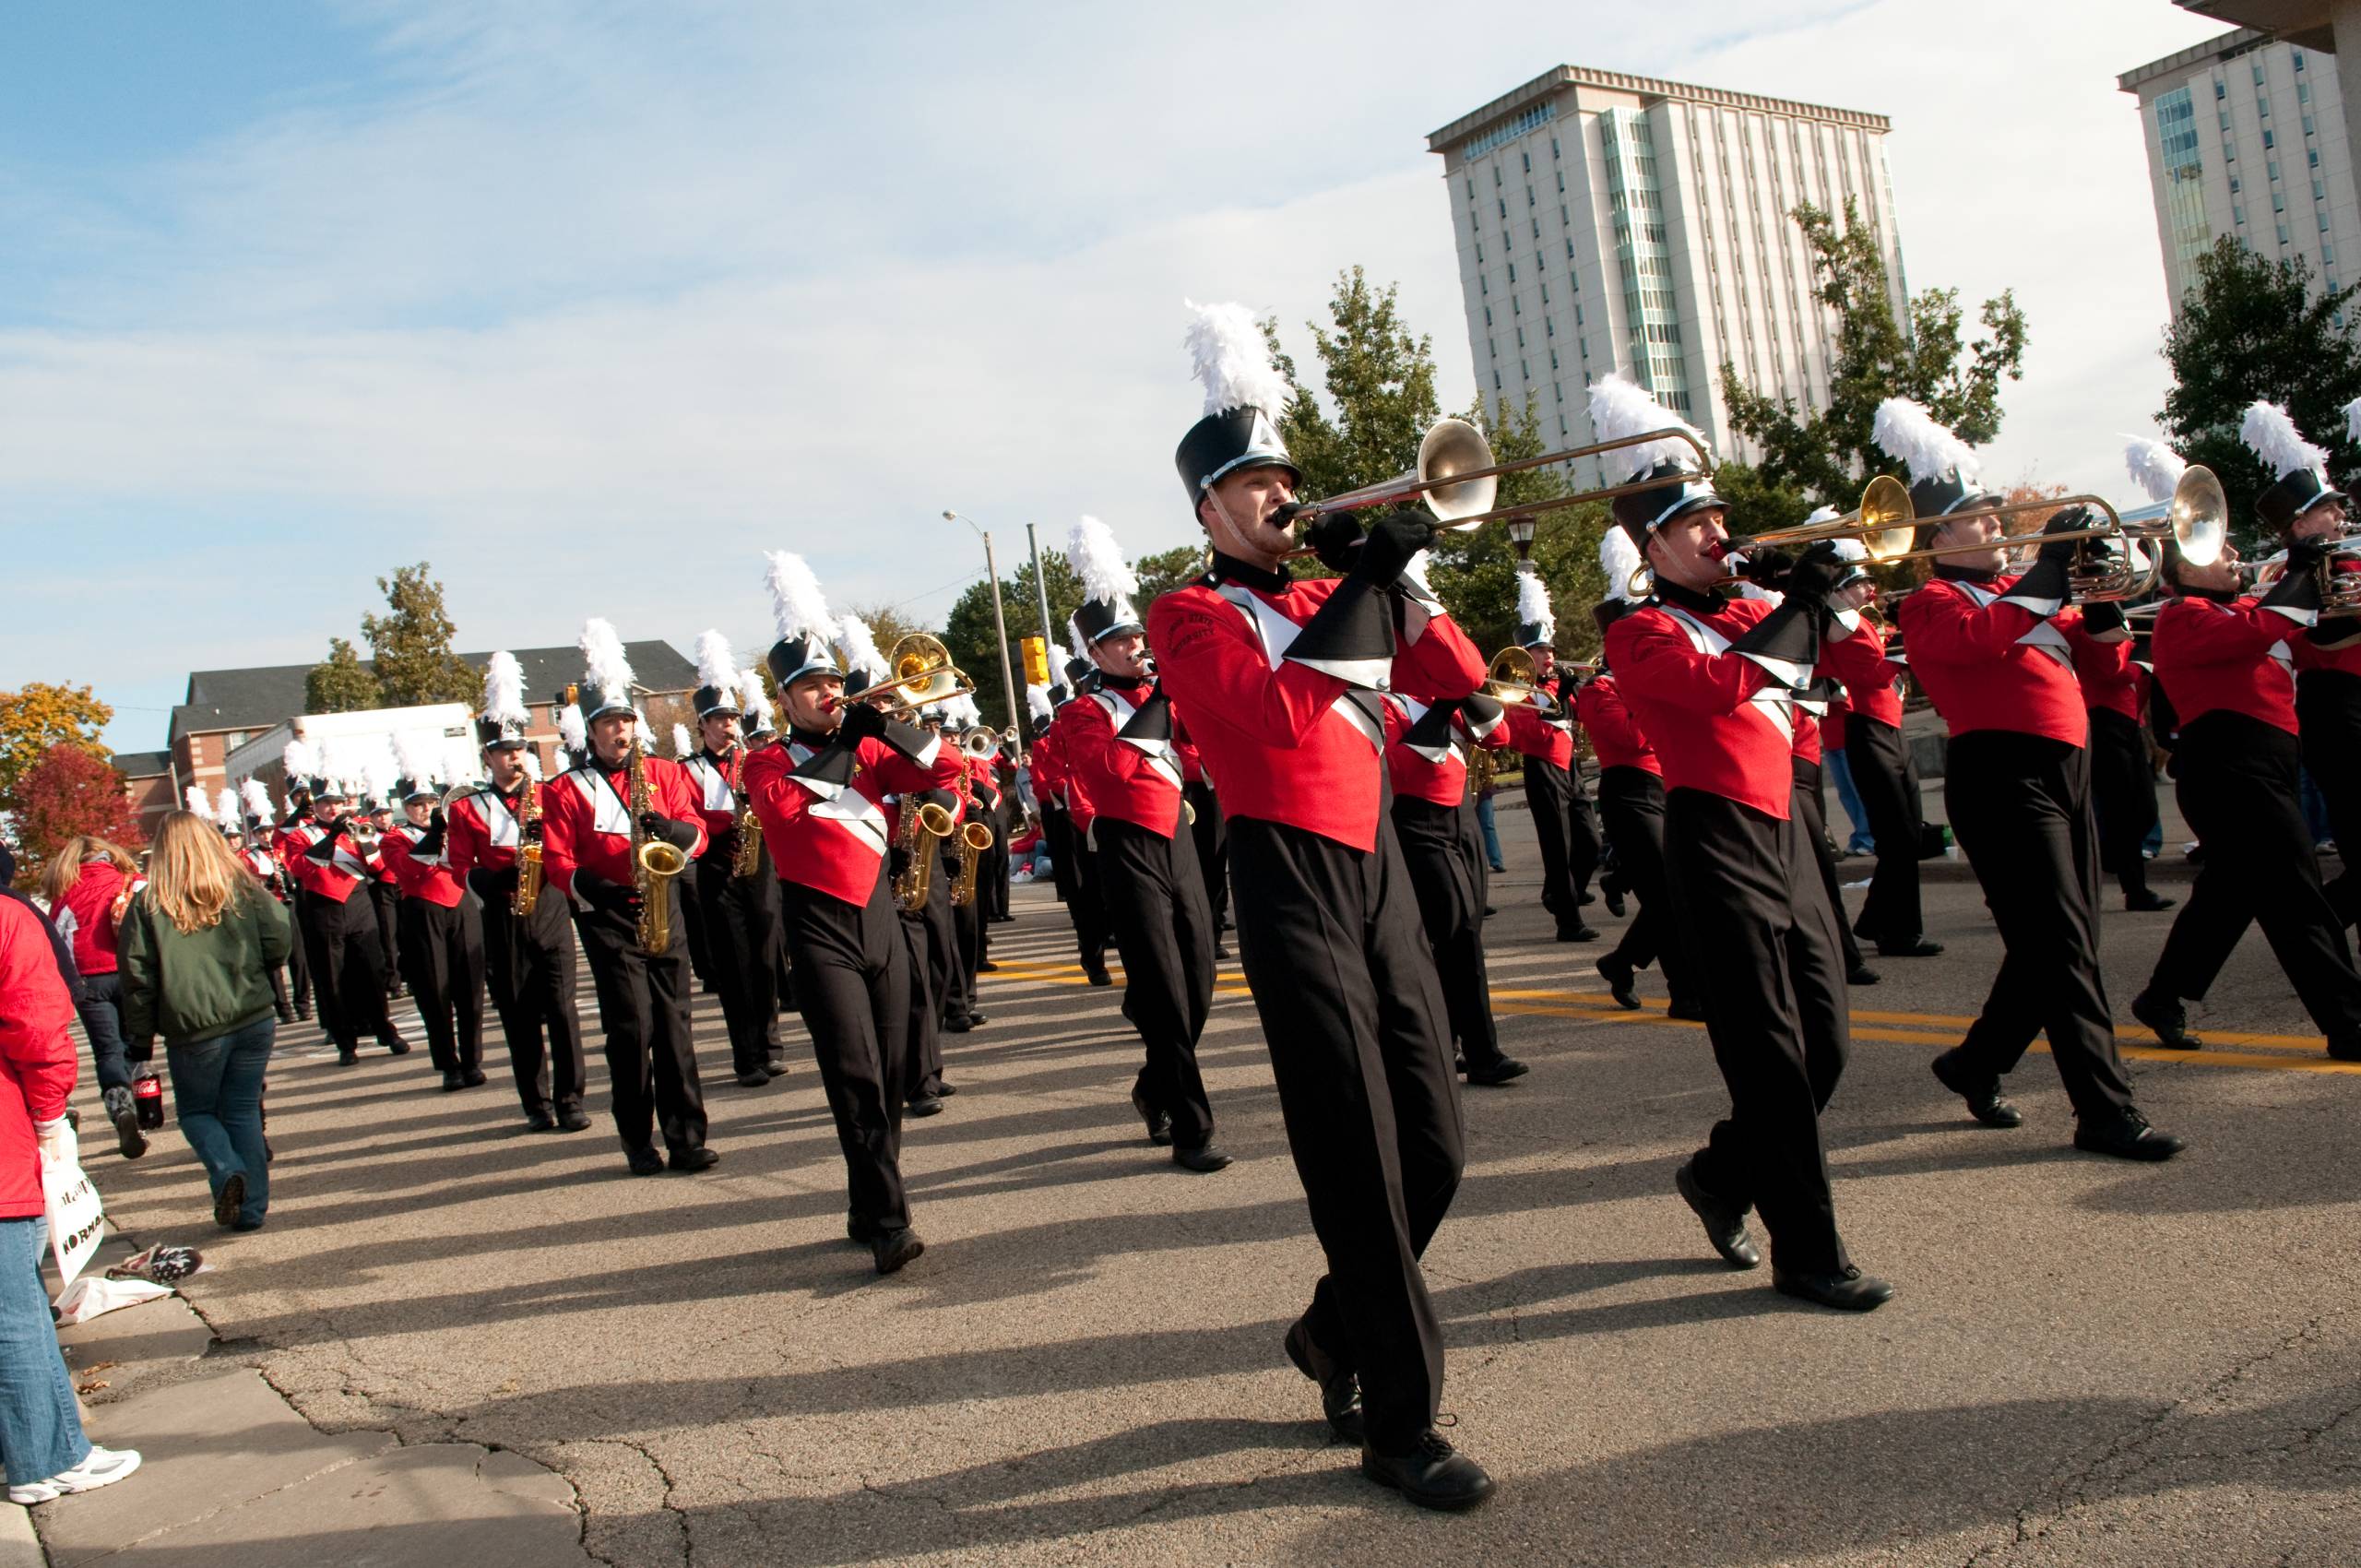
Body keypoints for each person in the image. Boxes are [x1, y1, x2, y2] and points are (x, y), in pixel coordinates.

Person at [1149, 300, 1491, 1508]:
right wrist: (1367, 590)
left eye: (1284, 479)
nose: (1277, 499)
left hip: (1377, 864)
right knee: (1356, 1151)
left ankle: (1330, 1327)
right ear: (1204, 510)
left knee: (1436, 1147)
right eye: (1248, 485)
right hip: (1286, 873)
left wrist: (1402, 571)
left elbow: (1460, 679)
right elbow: (1280, 715)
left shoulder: (1319, 599)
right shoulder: (1188, 615)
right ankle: (1402, 1426)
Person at [1589, 373, 1889, 1314]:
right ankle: (1807, 1253)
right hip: (1712, 836)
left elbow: (1866, 665)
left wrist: (1829, 594)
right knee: (1768, 1058)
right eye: (1696, 525)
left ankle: (1722, 1174)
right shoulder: (1637, 633)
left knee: (1826, 1046)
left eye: (1719, 517)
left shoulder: (1757, 605)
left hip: (1786, 831)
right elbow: (1719, 689)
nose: (1719, 534)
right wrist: (1795, 608)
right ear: (1651, 546)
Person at [1882, 398, 2182, 1159]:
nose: (1996, 524)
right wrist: (2048, 572)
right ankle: (2105, 1112)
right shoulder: (1931, 601)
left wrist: (2106, 598)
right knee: (2064, 949)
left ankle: (1977, 1061)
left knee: (2061, 938)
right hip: (2001, 774)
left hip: (2067, 766)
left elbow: (2108, 668)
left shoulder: (2028, 594)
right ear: (1939, 536)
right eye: (1980, 516)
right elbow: (1979, 642)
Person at [745, 552, 964, 1274]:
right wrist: (847, 742)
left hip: (881, 922)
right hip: (817, 930)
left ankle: (867, 1198)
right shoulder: (765, 762)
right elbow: (784, 813)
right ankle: (889, 1222)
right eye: (812, 686)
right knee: (855, 1076)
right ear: (786, 699)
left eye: (834, 682)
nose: (829, 694)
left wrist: (896, 727)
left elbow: (947, 773)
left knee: (895, 1072)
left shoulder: (867, 747)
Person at [2131, 532, 2361, 1056]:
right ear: (2185, 570)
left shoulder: (2251, 608)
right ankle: (2349, 1023)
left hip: (2267, 765)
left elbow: (2320, 644)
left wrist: (2339, 593)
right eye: (2221, 551)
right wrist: (2300, 572)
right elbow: (2258, 635)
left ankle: (2162, 996)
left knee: (2227, 897)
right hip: (2228, 767)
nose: (2236, 556)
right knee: (2296, 897)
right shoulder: (2181, 614)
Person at [1062, 515, 1232, 1168]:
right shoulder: (1081, 714)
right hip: (1128, 850)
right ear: (1094, 654)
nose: (1135, 647)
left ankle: (1153, 1082)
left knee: (1199, 980)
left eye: (1137, 635)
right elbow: (1110, 774)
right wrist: (1160, 700)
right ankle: (1192, 1129)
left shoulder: (1165, 697)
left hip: (1178, 843)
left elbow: (1197, 750)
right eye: (1120, 641)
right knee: (1161, 987)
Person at [540, 620, 718, 1176]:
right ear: (591, 732)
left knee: (675, 1027)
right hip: (611, 917)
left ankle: (688, 1138)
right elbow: (556, 859)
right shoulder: (567, 789)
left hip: (664, 908)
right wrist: (592, 888)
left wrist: (670, 828)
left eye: (626, 720)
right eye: (609, 723)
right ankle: (638, 1138)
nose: (620, 730)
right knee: (631, 1029)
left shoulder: (663, 773)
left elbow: (701, 834)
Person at [0, 885, 140, 1505]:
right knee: (18, 1314)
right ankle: (45, 1459)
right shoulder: (7, 920)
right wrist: (52, 1119)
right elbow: (38, 1025)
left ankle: (39, 1451)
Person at [116, 810, 291, 1230]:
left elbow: (138, 976)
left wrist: (140, 1041)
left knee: (196, 1112)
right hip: (250, 1015)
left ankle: (226, 1169)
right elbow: (279, 936)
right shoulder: (240, 889)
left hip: (194, 1025)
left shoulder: (149, 902)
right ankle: (250, 1209)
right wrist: (257, 968)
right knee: (242, 1110)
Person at [446, 653, 591, 1133]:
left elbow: (572, 845)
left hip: (549, 909)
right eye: (505, 750)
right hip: (503, 916)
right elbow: (461, 869)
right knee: (519, 1015)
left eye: (520, 749)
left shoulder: (549, 795)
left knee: (563, 1009)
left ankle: (571, 1099)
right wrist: (497, 878)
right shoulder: (469, 808)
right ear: (487, 756)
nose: (514, 757)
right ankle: (537, 1102)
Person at [1578, 550, 1700, 1020]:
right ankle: (1684, 991)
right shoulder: (1597, 691)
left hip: (1665, 787)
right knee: (1666, 895)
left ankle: (1621, 961)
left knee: (1677, 891)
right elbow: (1632, 737)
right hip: (1628, 793)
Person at [1388, 688, 1525, 1086]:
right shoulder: (1380, 697)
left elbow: (1499, 738)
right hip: (1417, 821)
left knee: (1466, 932)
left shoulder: (1428, 693)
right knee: (1457, 936)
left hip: (1461, 814)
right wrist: (1442, 709)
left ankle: (1445, 1046)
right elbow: (1399, 767)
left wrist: (1462, 690)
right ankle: (1483, 1053)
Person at [1816, 540, 1945, 956]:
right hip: (1867, 730)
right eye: (1862, 582)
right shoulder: (1836, 618)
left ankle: (1877, 921)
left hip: (1889, 728)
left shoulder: (1858, 617)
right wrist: (1907, 655)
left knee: (1906, 834)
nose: (1871, 589)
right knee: (1899, 837)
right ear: (1842, 586)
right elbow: (1867, 672)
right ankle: (1899, 932)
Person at [682, 632, 789, 1089]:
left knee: (766, 956)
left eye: (732, 717)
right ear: (703, 725)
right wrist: (727, 821)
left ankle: (771, 1045)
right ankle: (745, 1056)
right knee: (734, 963)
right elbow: (688, 818)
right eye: (719, 720)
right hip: (717, 869)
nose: (728, 726)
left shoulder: (754, 760)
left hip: (759, 865)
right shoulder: (689, 769)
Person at [278, 753, 412, 1066]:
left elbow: (381, 869)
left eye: (337, 802)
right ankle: (345, 1041)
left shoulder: (360, 827)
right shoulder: (301, 834)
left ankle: (385, 1029)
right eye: (326, 803)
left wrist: (365, 844)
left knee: (372, 970)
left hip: (359, 902)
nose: (333, 808)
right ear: (316, 805)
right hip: (324, 908)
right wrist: (334, 836)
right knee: (332, 976)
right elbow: (300, 868)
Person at [1498, 573, 1598, 941]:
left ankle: (1558, 894)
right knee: (1558, 848)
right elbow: (1521, 735)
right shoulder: (1516, 690)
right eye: (1542, 651)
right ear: (1527, 655)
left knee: (1590, 843)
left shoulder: (1557, 684)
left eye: (1550, 650)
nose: (1550, 656)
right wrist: (1556, 709)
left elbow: (1584, 719)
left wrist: (1584, 689)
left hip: (1569, 767)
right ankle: (1568, 923)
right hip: (1543, 768)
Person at [378, 765, 488, 1093]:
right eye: (418, 804)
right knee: (433, 990)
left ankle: (472, 1061)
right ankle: (448, 1065)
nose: (426, 809)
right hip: (423, 911)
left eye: (430, 802)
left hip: (461, 905)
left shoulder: (456, 829)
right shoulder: (394, 837)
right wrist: (432, 834)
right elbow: (406, 869)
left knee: (470, 989)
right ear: (406, 808)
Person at [39, 837, 145, 1157]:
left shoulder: (65, 892)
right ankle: (137, 1104)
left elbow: (56, 940)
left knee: (107, 1049)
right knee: (134, 1044)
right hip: (130, 973)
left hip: (89, 983)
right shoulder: (128, 880)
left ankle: (120, 1108)